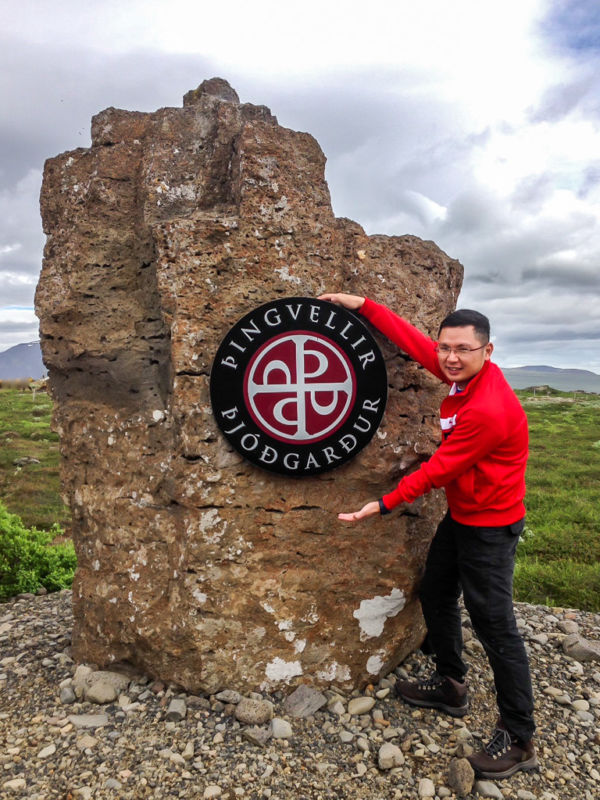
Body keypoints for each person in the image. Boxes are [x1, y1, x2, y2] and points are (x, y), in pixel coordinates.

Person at [319, 292, 537, 780]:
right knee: (436, 591)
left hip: (491, 529)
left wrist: (382, 504)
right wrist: (366, 307)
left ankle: (519, 738)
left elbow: (439, 469)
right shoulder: (463, 376)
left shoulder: (488, 410)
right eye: (446, 348)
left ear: (489, 351)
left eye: (463, 349)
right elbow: (417, 346)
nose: (450, 357)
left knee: (496, 626)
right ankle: (451, 684)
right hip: (464, 519)